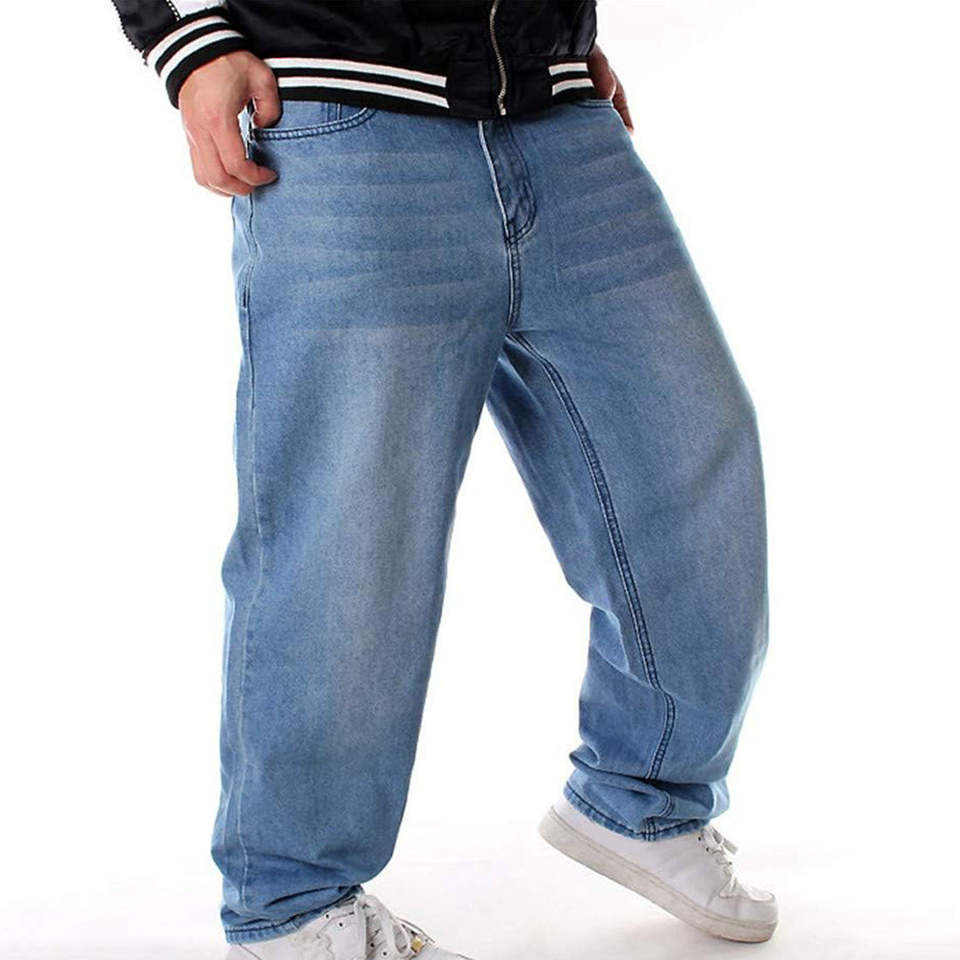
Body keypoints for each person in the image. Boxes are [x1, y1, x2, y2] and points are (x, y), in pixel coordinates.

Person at [110, 2, 777, 957]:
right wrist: (187, 41)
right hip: (346, 117)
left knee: (693, 460)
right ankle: (294, 908)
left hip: (559, 115)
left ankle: (644, 798)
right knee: (349, 531)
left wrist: (554, 31)